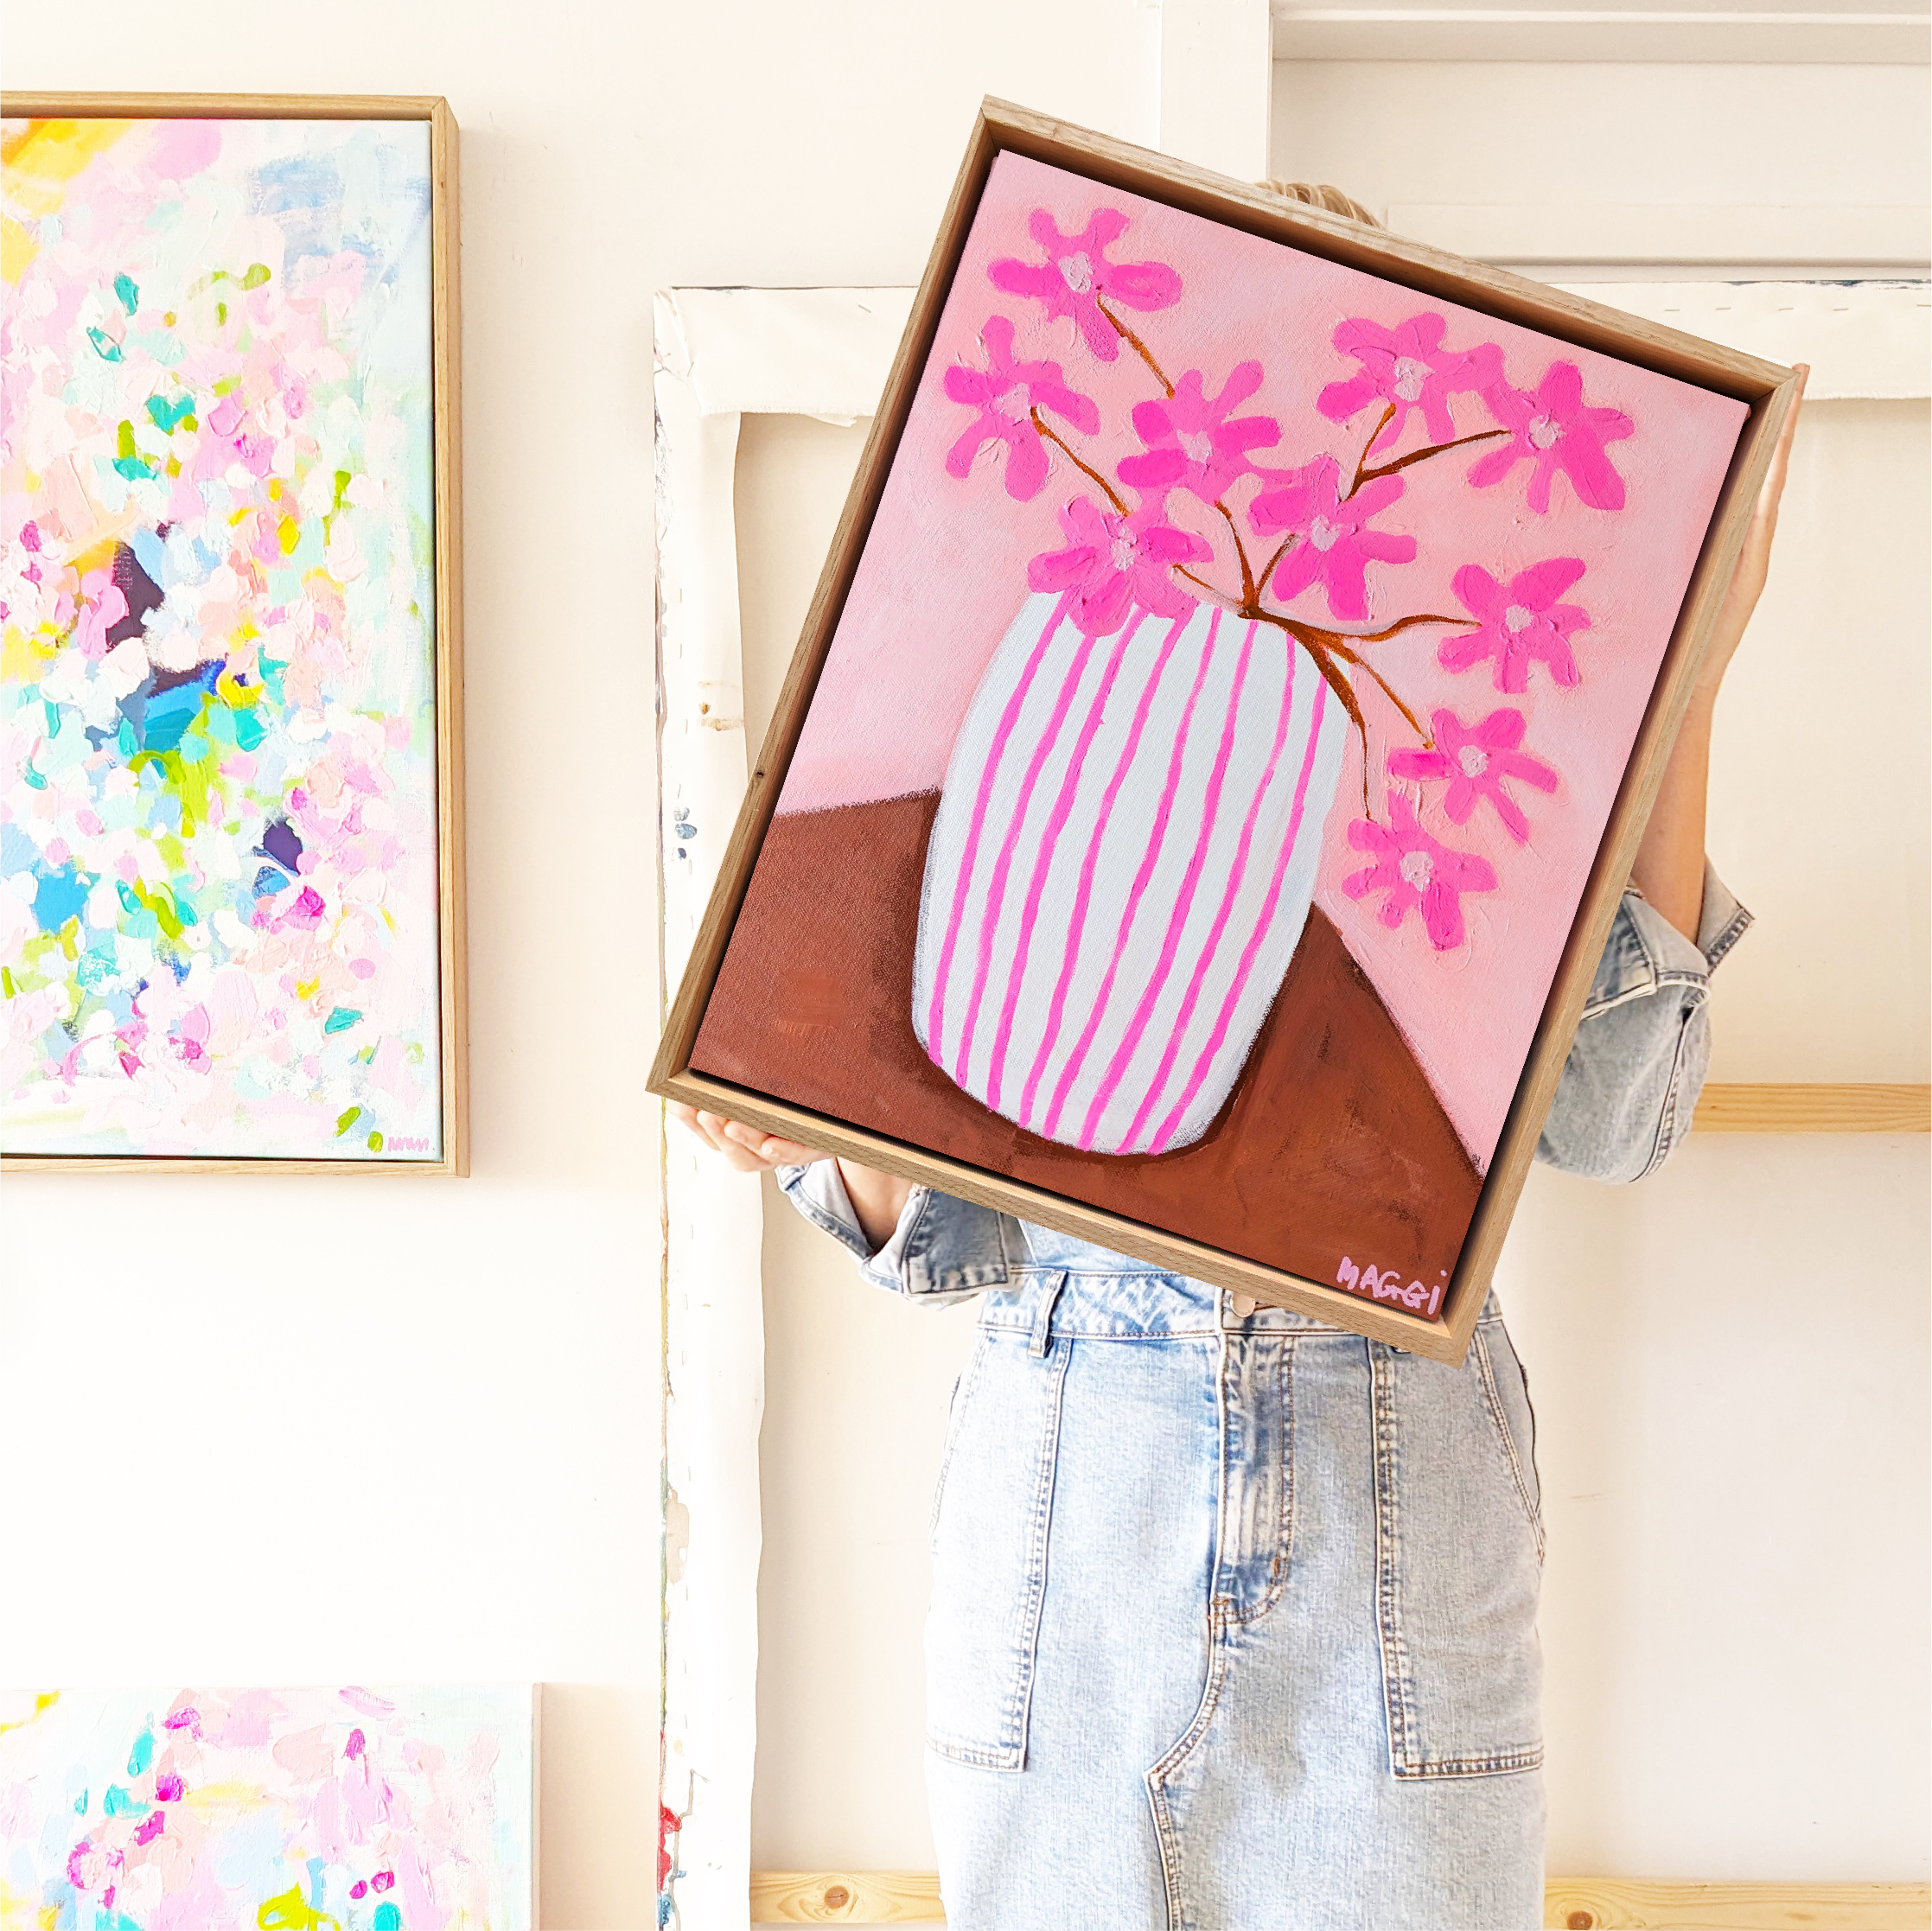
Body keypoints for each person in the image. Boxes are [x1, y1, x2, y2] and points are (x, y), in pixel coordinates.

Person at [674, 182, 1809, 1930]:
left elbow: (1610, 1122)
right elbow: (949, 1241)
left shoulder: (1456, 762)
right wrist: (834, 1123)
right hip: (1068, 1525)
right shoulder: (1024, 671)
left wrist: (1687, 677)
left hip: (1397, 1522)